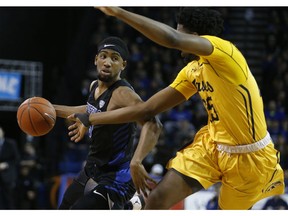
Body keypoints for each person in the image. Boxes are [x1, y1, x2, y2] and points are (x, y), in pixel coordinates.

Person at [67, 7, 285, 210]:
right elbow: (147, 109)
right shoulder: (192, 70)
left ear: (196, 38)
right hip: (212, 146)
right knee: (156, 201)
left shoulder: (225, 52)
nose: (180, 51)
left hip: (251, 157)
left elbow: (172, 38)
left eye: (184, 39)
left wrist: (120, 12)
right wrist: (91, 119)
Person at [53, 36, 162, 209]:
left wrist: (137, 160)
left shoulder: (123, 93)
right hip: (93, 168)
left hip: (118, 176)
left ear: (123, 65)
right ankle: (130, 206)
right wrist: (51, 109)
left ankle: (127, 204)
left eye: (115, 58)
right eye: (103, 56)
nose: (107, 62)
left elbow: (153, 123)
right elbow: (88, 109)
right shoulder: (94, 86)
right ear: (96, 59)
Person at [0, 126, 20, 209]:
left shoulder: (11, 143)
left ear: (3, 133)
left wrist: (6, 164)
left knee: (9, 200)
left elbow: (17, 159)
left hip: (8, 176)